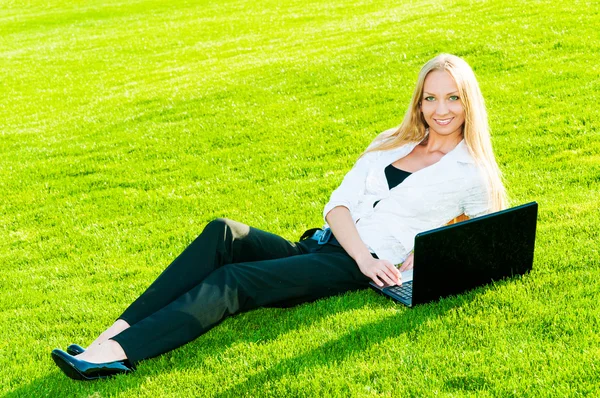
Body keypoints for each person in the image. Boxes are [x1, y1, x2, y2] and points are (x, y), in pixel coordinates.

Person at [51, 53, 508, 381]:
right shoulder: (392, 140)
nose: (441, 110)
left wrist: (406, 259)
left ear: (469, 103)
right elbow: (338, 204)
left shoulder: (472, 172)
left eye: (453, 98)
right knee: (223, 234)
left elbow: (488, 243)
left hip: (354, 265)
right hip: (326, 243)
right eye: (431, 98)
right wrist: (360, 252)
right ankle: (108, 336)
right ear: (419, 102)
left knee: (234, 281)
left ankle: (115, 355)